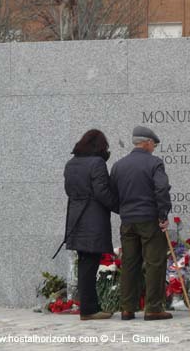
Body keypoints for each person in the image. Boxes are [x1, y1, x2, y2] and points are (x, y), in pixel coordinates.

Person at [110, 126, 172, 321]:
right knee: (154, 262)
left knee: (129, 263)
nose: (154, 148)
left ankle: (127, 308)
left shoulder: (119, 165)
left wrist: (124, 211)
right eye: (153, 144)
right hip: (149, 220)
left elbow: (112, 194)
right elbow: (161, 189)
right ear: (146, 142)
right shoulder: (154, 163)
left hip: (127, 221)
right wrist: (162, 215)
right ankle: (153, 308)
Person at [63, 129, 118, 321]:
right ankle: (88, 309)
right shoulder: (97, 163)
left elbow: (68, 190)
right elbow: (102, 192)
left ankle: (90, 307)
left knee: (85, 262)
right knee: (89, 264)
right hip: (92, 219)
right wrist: (120, 207)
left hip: (76, 218)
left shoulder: (71, 164)